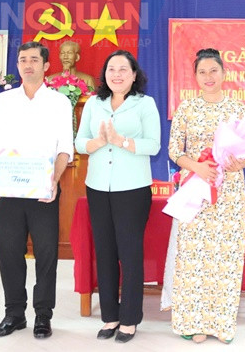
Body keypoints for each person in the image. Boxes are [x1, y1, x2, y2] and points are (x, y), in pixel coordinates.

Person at [0, 41, 73, 339]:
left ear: (46, 65)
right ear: (18, 65)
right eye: (23, 60)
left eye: (34, 59)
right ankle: (14, 314)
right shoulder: (4, 101)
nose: (28, 64)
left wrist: (54, 180)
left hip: (43, 190)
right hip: (8, 189)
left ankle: (43, 316)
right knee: (9, 252)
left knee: (46, 254)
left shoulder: (59, 102)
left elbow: (65, 148)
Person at [167, 48, 245, 344]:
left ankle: (221, 323)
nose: (208, 77)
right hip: (195, 189)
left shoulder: (237, 109)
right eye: (202, 72)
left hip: (228, 193)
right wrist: (197, 167)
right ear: (195, 76)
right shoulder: (186, 108)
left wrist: (240, 163)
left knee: (225, 256)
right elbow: (174, 150)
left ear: (224, 73)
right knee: (193, 257)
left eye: (213, 71)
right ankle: (193, 323)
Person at [74, 50, 161, 343]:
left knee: (130, 253)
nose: (117, 74)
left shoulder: (145, 104)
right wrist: (98, 142)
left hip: (132, 189)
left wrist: (121, 141)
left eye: (123, 69)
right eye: (111, 69)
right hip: (98, 187)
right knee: (105, 252)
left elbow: (153, 145)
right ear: (105, 74)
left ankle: (130, 319)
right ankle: (110, 316)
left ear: (134, 75)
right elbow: (79, 142)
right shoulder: (94, 103)